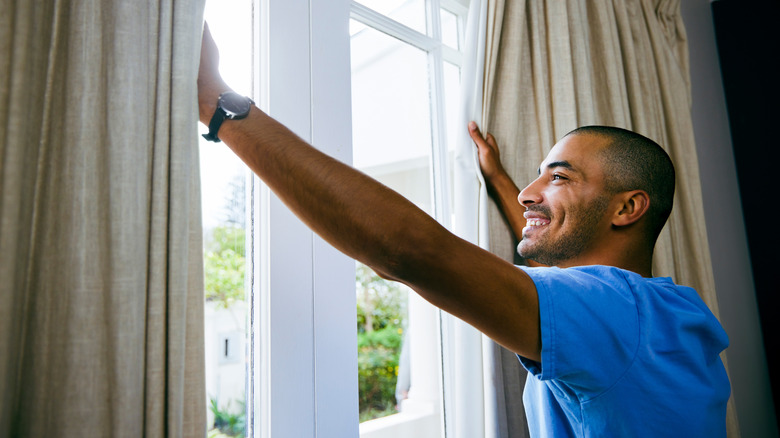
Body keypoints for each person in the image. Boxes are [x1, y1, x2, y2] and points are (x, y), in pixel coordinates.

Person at [197, 24, 730, 437]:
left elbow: (411, 252)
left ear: (628, 208)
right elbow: (548, 263)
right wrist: (500, 180)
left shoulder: (613, 309)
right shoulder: (668, 314)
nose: (529, 192)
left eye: (560, 177)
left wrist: (218, 103)